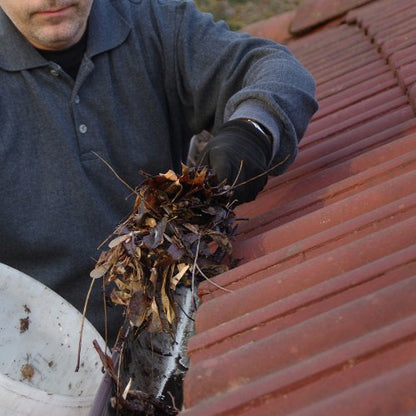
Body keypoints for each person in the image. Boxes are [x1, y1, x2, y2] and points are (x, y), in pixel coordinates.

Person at [0, 0, 318, 345]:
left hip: (180, 329)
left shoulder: (153, 22)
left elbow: (277, 69)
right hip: (37, 360)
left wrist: (253, 131)